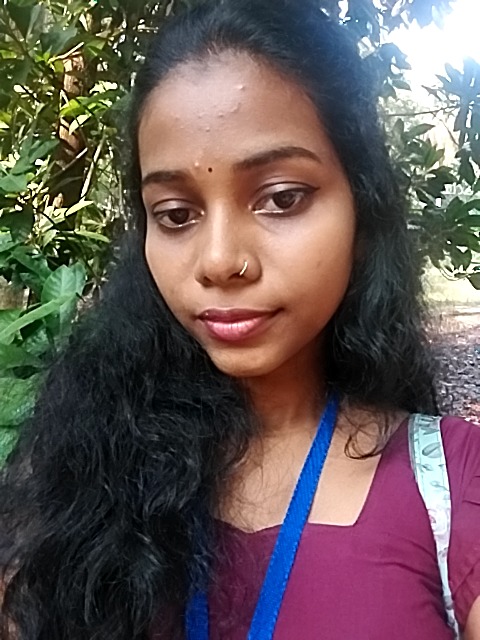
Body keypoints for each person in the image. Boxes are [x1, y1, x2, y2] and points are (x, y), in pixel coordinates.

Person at [1, 0, 479, 638]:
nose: (220, 261)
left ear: (361, 209)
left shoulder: (452, 487)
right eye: (176, 215)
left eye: (281, 198)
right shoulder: (72, 481)